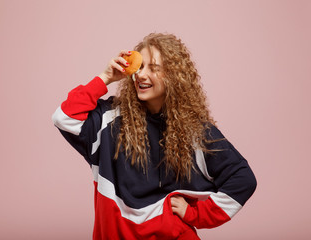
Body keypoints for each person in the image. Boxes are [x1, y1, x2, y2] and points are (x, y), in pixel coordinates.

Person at [52, 33, 257, 240]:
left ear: (174, 76)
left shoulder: (194, 131)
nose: (141, 75)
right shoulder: (108, 118)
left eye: (154, 68)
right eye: (140, 67)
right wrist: (105, 78)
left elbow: (243, 179)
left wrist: (195, 214)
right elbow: (64, 118)